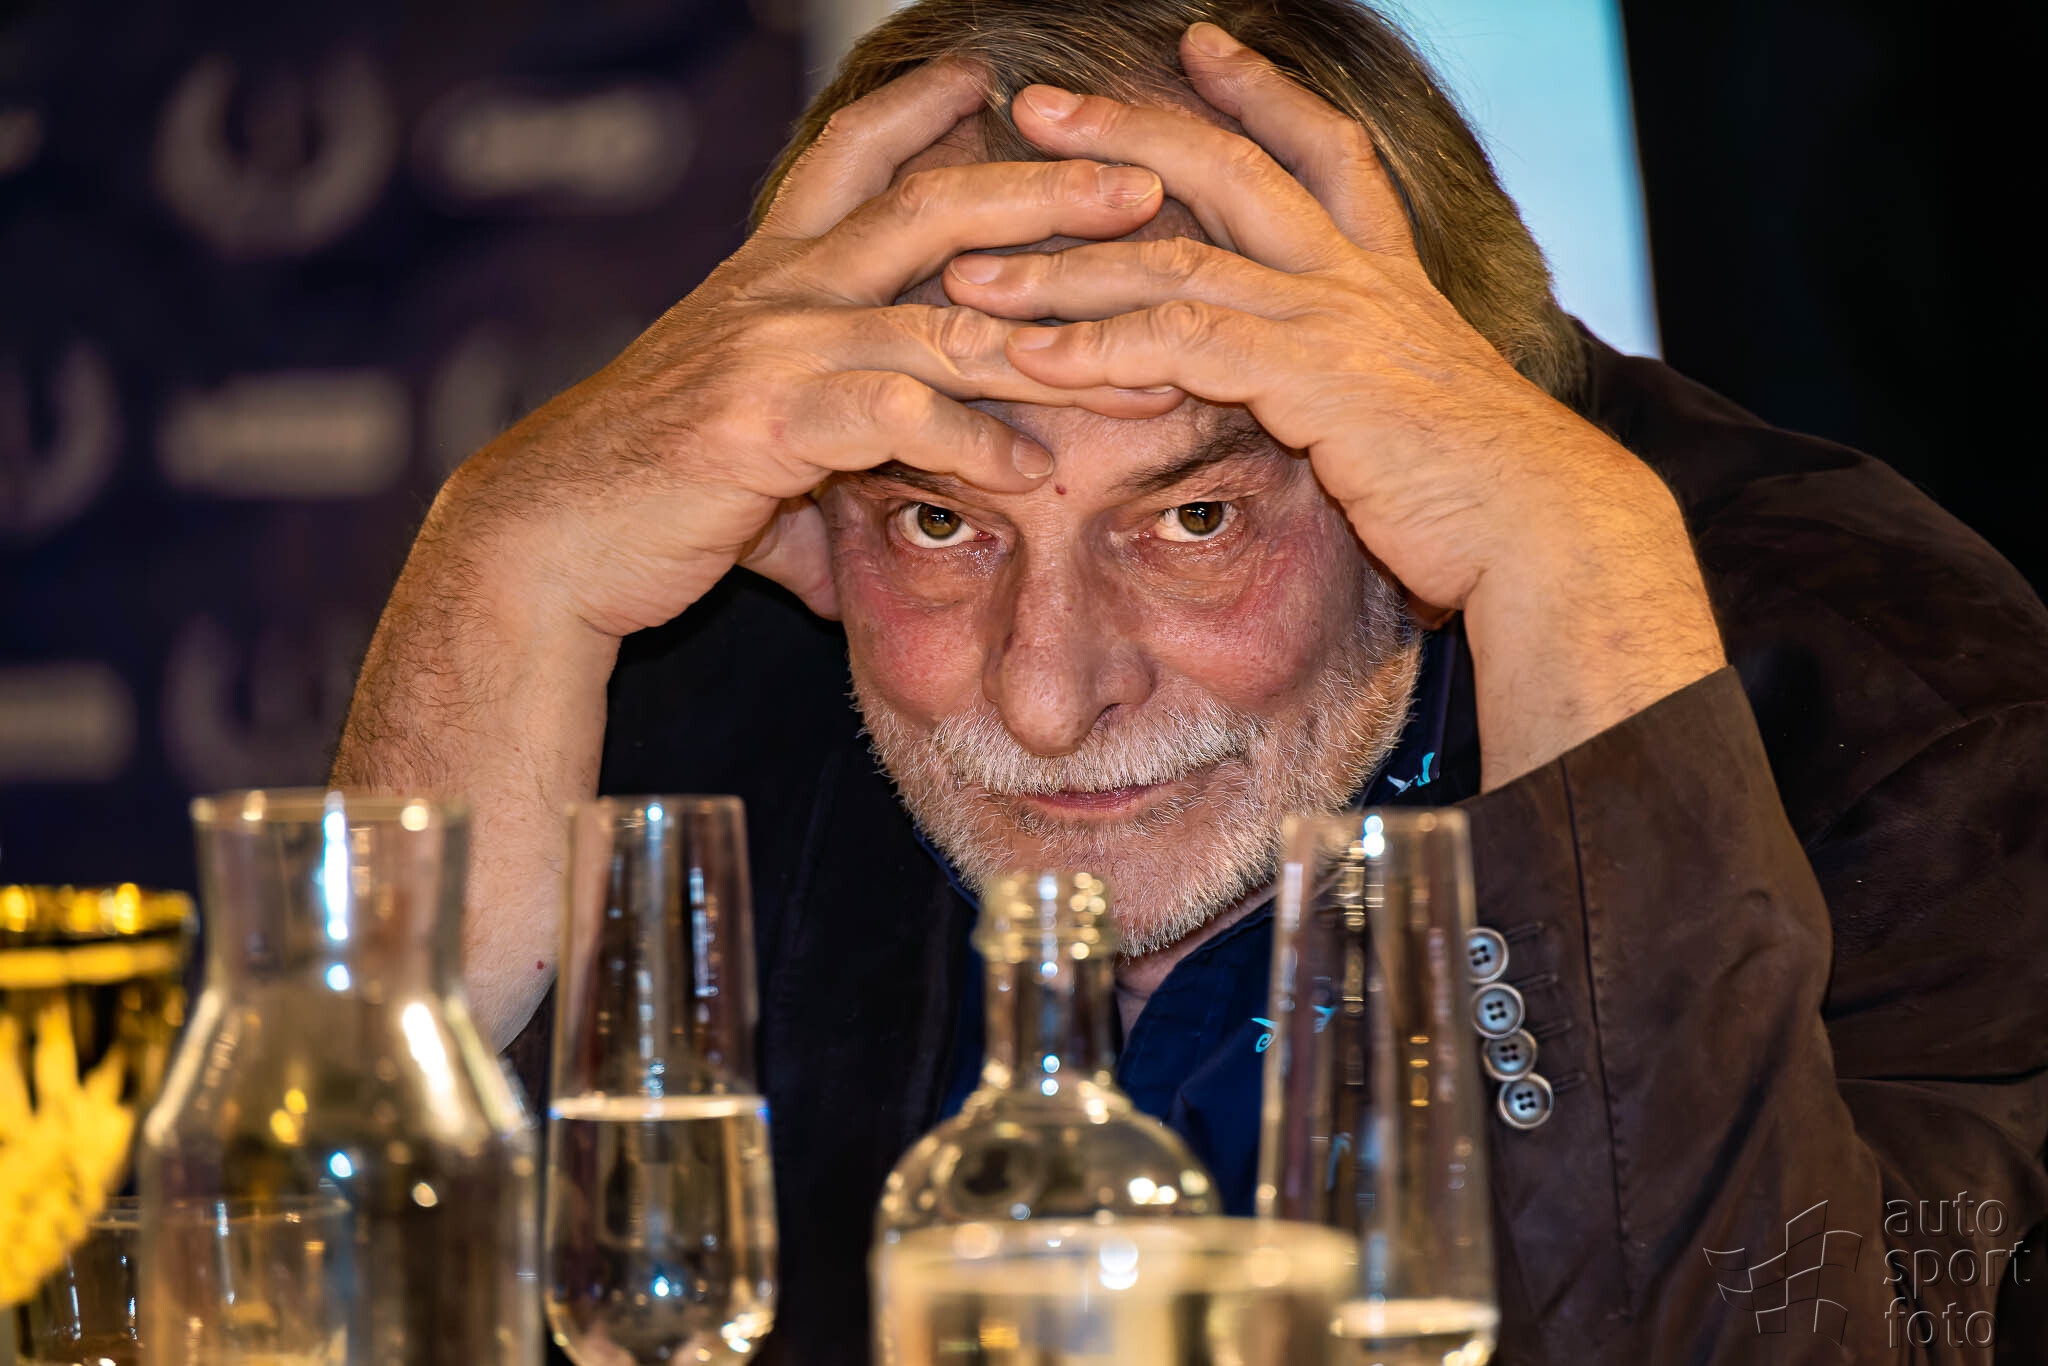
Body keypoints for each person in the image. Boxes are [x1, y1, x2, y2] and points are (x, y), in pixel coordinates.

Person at [333, 2, 2048, 1361]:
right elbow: (320, 1285)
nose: (1046, 694)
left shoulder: (1897, 709)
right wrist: (499, 559)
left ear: (1421, 466)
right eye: (942, 519)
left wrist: (1575, 567)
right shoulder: (724, 631)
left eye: (1196, 518)